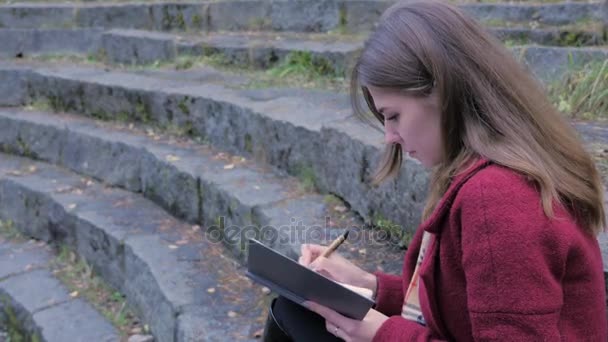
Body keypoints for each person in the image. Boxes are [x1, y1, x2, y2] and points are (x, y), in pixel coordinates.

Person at [261, 0, 608, 340]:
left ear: (443, 92)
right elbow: (460, 310)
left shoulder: (498, 197)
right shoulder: (486, 175)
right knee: (297, 312)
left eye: (393, 115)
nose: (389, 136)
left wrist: (381, 333)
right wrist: (371, 286)